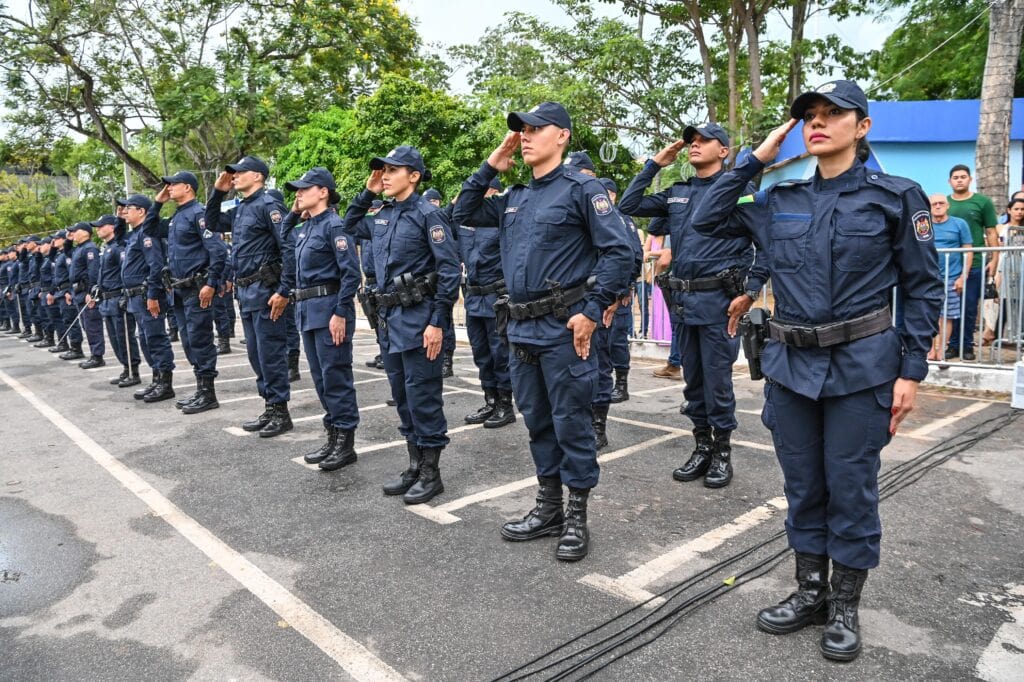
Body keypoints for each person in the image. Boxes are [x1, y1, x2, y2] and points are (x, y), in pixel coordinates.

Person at [691, 80, 941, 661]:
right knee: (802, 485)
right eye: (810, 115)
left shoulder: (897, 197)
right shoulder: (780, 199)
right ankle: (810, 593)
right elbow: (705, 217)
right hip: (791, 366)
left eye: (835, 114)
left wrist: (912, 370)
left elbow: (924, 290)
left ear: (864, 126)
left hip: (863, 368)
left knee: (849, 487)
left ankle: (847, 604)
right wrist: (757, 155)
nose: (819, 123)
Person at [452, 102, 633, 562]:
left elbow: (620, 255)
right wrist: (493, 163)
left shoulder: (582, 190)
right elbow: (463, 210)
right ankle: (548, 506)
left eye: (536, 129)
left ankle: (576, 516)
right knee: (536, 422)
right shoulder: (516, 197)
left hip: (563, 329)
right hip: (521, 329)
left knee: (571, 423)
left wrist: (593, 310)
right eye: (521, 130)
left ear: (563, 136)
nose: (525, 136)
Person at [621, 123, 768, 488]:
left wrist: (750, 290)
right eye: (692, 141)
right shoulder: (678, 193)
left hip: (720, 303)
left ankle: (721, 453)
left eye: (704, 140)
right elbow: (628, 206)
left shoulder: (739, 191)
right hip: (684, 302)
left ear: (724, 150)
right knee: (694, 383)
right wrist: (656, 163)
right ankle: (701, 447)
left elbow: (768, 245)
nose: (694, 145)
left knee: (718, 383)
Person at [344, 146, 459, 504]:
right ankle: (413, 466)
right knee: (403, 398)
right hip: (389, 322)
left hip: (420, 319)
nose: (385, 175)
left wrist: (438, 322)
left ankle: (431, 472)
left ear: (414, 176)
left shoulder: (429, 215)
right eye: (382, 170)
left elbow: (449, 271)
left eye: (393, 170)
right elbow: (348, 223)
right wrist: (368, 192)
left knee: (423, 397)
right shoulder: (382, 214)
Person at [206, 155, 296, 437]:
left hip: (266, 291)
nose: (234, 176)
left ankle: (281, 411)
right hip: (246, 292)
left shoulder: (269, 204)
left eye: (240, 173)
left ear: (258, 176)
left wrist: (284, 290)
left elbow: (288, 248)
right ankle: (269, 406)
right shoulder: (241, 207)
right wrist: (217, 192)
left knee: (270, 353)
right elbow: (212, 223)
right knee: (256, 354)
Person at [283, 167, 362, 471]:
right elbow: (282, 240)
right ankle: (332, 435)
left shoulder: (334, 226)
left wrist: (341, 312)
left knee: (335, 377)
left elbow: (350, 273)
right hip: (308, 311)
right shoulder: (306, 227)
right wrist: (292, 214)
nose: (298, 193)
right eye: (297, 190)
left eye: (305, 188)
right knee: (320, 380)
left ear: (324, 192)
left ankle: (345, 443)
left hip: (330, 310)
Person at [152, 171, 227, 414]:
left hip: (197, 288)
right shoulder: (177, 216)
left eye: (173, 185)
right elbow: (150, 230)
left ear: (188, 187)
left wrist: (212, 283)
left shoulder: (199, 214)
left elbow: (218, 251)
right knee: (188, 340)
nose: (169, 188)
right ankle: (200, 388)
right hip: (179, 289)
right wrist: (157, 203)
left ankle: (208, 393)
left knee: (200, 339)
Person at [457, 176, 516, 428]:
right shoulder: (466, 223)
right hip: (473, 297)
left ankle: (505, 405)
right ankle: (490, 401)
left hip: (496, 298)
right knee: (481, 354)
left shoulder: (500, 219)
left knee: (499, 354)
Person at [121, 193, 176, 402]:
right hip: (136, 297)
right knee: (145, 339)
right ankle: (156, 379)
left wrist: (153, 294)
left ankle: (165, 383)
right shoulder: (135, 234)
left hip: (147, 295)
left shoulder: (147, 234)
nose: (125, 212)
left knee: (155, 338)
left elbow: (156, 266)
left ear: (142, 211)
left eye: (129, 208)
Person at [946, 165, 999, 361]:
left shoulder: (982, 202)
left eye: (963, 177)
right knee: (950, 308)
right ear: (949, 181)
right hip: (949, 266)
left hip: (975, 263)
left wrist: (994, 259)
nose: (959, 180)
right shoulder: (944, 203)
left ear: (970, 179)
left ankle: (967, 346)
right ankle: (951, 345)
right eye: (955, 177)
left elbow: (992, 232)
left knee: (969, 307)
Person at [91, 214, 142, 386]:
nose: (98, 229)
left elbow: (124, 272)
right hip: (107, 299)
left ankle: (133, 371)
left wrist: (123, 294)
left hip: (117, 297)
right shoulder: (107, 247)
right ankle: (125, 368)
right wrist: (98, 286)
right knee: (114, 338)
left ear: (112, 227)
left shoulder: (120, 247)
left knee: (124, 337)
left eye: (101, 226)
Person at [928, 195, 972, 360]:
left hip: (952, 277)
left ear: (948, 206)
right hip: (928, 278)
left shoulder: (959, 224)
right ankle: (930, 350)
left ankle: (941, 350)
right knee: (929, 314)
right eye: (934, 204)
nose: (938, 206)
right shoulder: (923, 224)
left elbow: (968, 250)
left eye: (941, 203)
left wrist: (963, 276)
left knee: (947, 316)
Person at [423, 187, 457, 379]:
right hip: (427, 282)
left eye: (432, 201)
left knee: (445, 322)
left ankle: (446, 359)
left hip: (441, 281)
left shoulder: (441, 219)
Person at [66, 222, 106, 368]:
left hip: (86, 292)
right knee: (86, 325)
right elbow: (66, 252)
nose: (72, 234)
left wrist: (91, 292)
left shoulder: (89, 249)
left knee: (92, 325)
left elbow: (93, 272)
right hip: (78, 292)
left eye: (75, 231)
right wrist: (68, 240)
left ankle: (97, 356)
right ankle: (94, 354)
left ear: (85, 232)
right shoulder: (79, 249)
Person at [32, 237, 58, 348]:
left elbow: (54, 277)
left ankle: (60, 342)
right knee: (44, 317)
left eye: (42, 244)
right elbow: (37, 272)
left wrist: (51, 292)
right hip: (43, 291)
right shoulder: (44, 259)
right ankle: (48, 338)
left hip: (50, 291)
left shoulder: (52, 259)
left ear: (49, 245)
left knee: (54, 319)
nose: (40, 247)